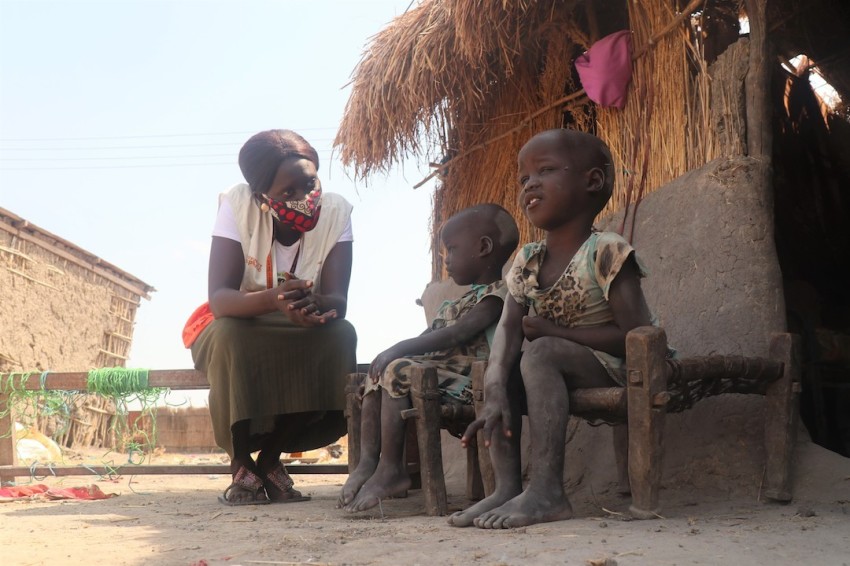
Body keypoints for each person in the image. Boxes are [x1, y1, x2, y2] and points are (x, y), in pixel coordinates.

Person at [449, 128, 655, 529]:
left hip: (615, 364)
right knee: (505, 367)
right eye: (524, 178)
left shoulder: (607, 250)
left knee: (540, 353)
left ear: (591, 181)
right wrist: (492, 390)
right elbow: (508, 331)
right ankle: (508, 488)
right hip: (554, 366)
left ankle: (548, 492)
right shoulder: (527, 259)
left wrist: (551, 333)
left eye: (544, 171)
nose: (531, 184)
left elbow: (637, 338)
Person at [184, 129, 357, 506]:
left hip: (295, 324)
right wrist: (275, 299)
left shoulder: (338, 213)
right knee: (232, 336)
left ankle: (271, 457)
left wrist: (310, 306)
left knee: (340, 335)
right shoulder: (237, 205)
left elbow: (337, 301)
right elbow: (221, 299)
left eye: (309, 183)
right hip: (236, 320)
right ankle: (241, 463)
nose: (303, 198)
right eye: (288, 192)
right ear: (263, 197)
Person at [339, 204, 520, 512]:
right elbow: (427, 339)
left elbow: (456, 335)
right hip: (435, 376)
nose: (445, 259)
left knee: (397, 369)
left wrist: (398, 350)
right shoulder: (454, 302)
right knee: (382, 372)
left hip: (466, 379)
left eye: (451, 249)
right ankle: (370, 462)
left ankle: (392, 469)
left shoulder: (498, 296)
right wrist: (386, 361)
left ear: (483, 248)